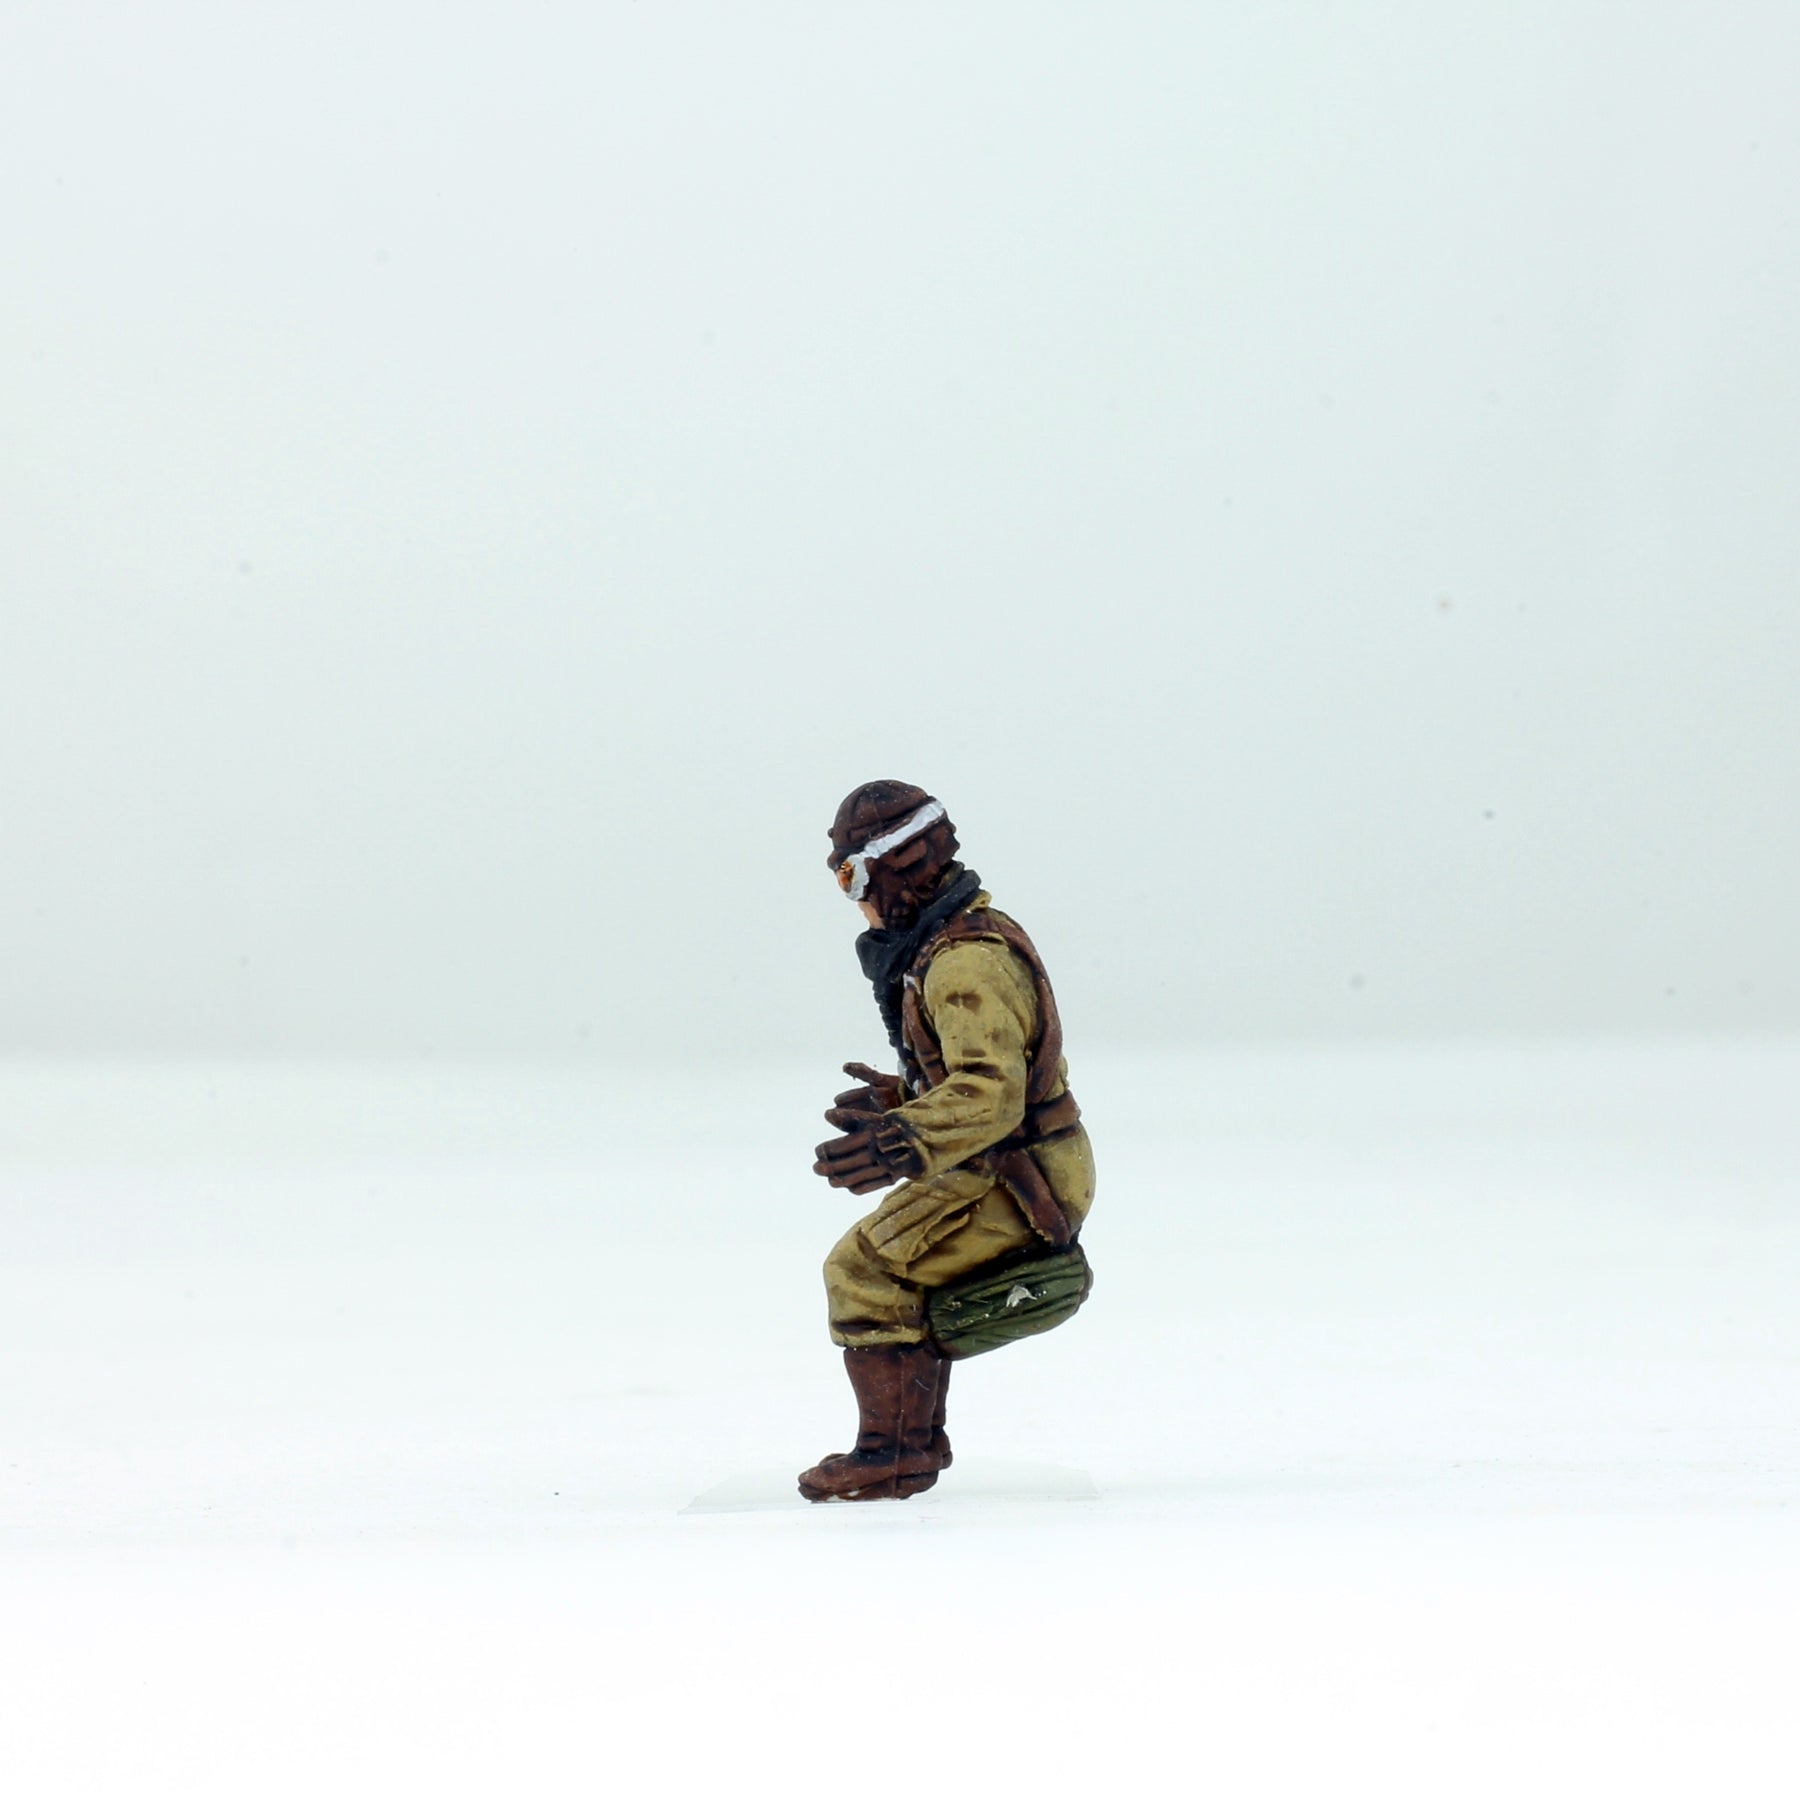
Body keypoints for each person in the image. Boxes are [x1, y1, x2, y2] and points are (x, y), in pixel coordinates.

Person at [800, 780, 1096, 1502]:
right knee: (881, 1268)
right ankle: (913, 1442)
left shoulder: (963, 962)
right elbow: (988, 1078)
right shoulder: (952, 944)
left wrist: (901, 1138)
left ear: (893, 868)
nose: (854, 899)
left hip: (1021, 1175)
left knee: (863, 1271)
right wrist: (906, 1099)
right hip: (1007, 1158)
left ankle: (893, 1453)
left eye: (851, 877)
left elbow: (991, 1093)